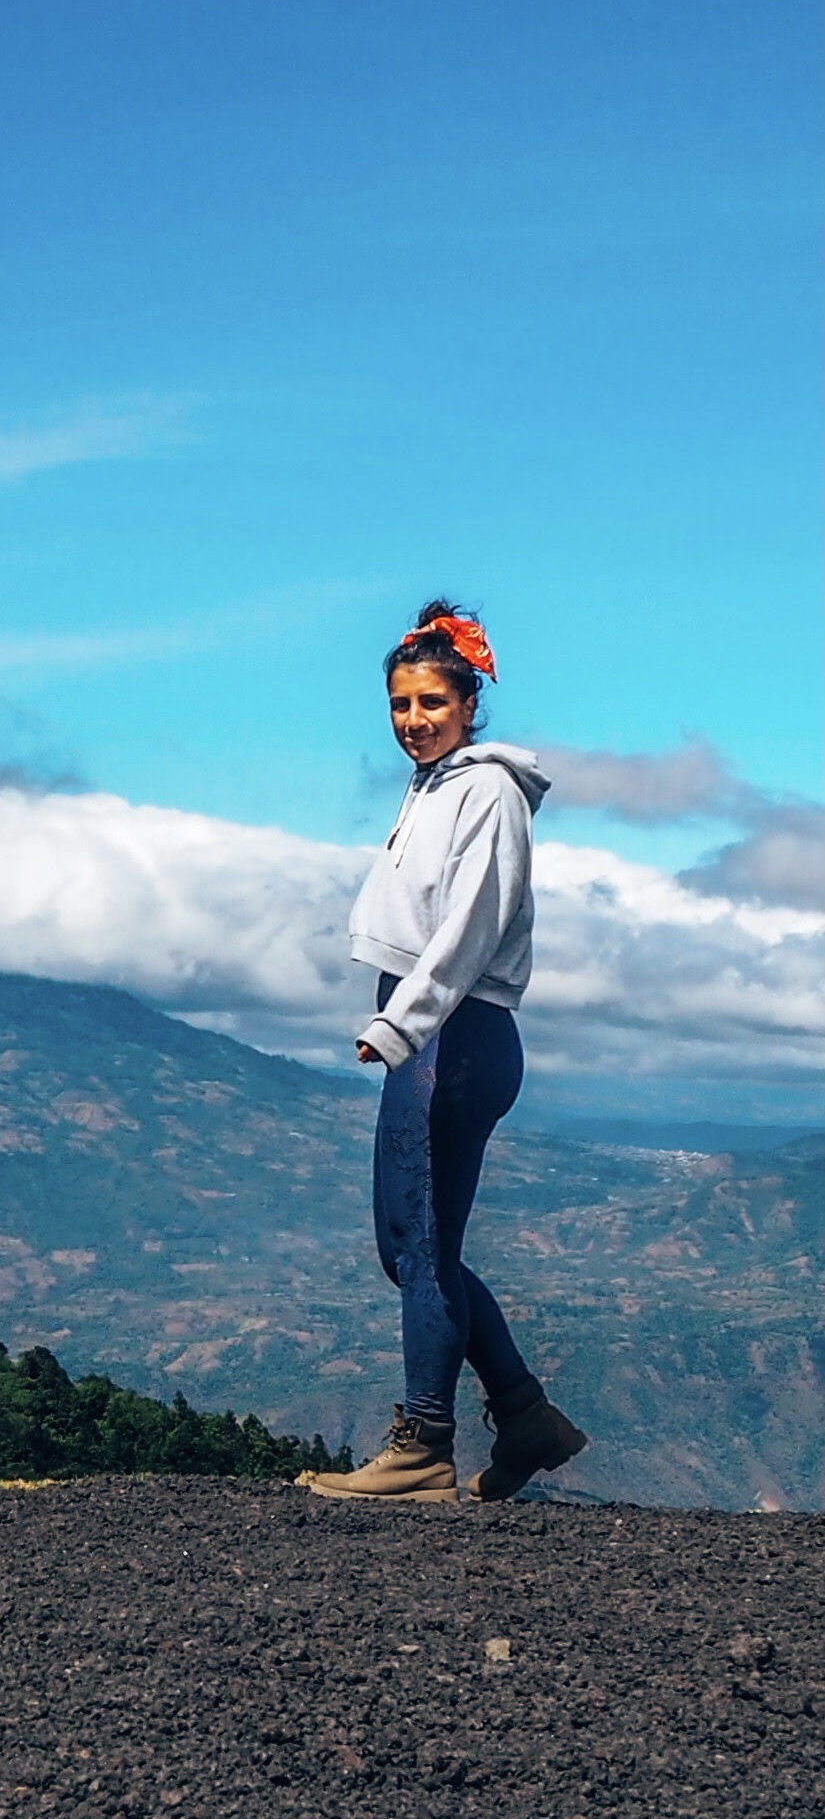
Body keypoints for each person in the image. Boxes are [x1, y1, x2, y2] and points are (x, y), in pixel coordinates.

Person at [307, 600, 589, 1505]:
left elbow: (470, 928)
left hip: (452, 1036)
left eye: (430, 701)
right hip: (431, 1036)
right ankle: (523, 1413)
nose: (412, 720)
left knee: (421, 1244)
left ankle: (423, 1443)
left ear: (469, 701)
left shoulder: (487, 793)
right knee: (407, 1247)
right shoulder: (434, 785)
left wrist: (402, 1024)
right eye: (398, 704)